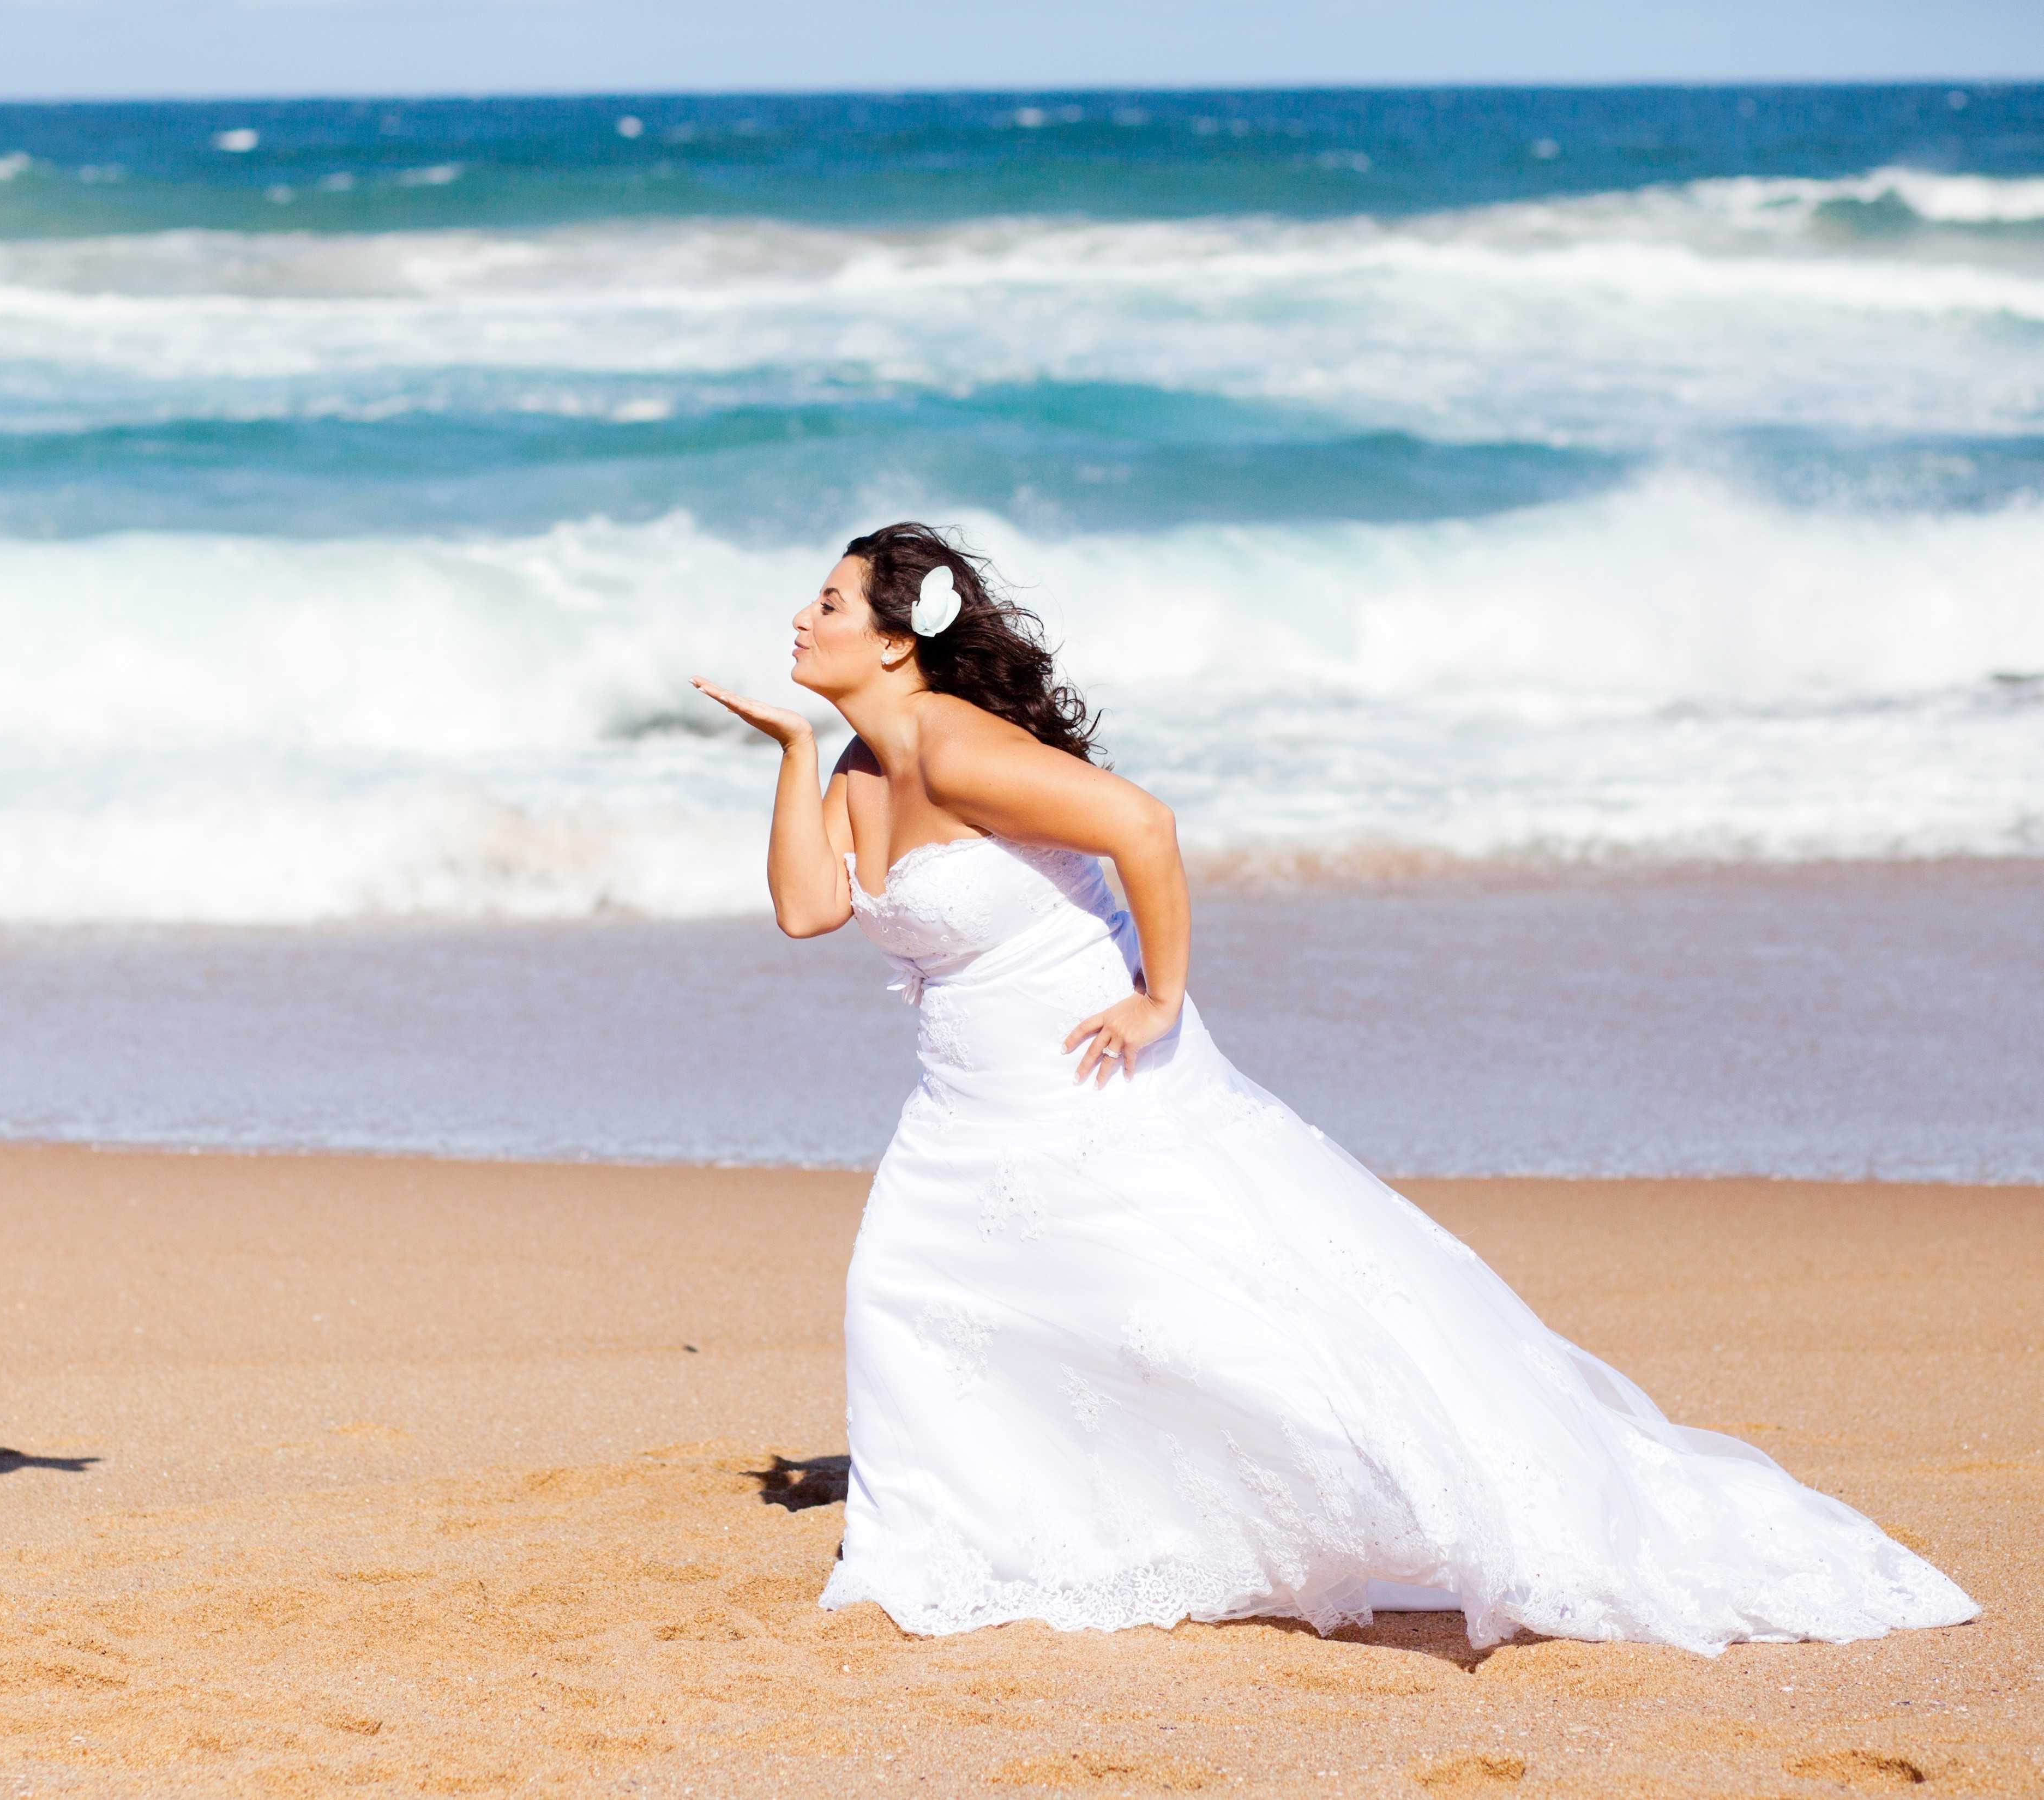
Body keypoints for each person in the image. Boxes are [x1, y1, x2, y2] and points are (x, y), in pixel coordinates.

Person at [689, 521, 1977, 1654]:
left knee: (1210, 1315)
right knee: (918, 1298)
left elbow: (1144, 827)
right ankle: (964, 1534)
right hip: (965, 1103)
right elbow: (809, 908)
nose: (801, 617)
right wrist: (794, 751)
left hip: (1091, 1076)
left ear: (899, 643)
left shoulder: (960, 750)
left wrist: (1159, 997)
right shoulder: (858, 771)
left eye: (830, 602)